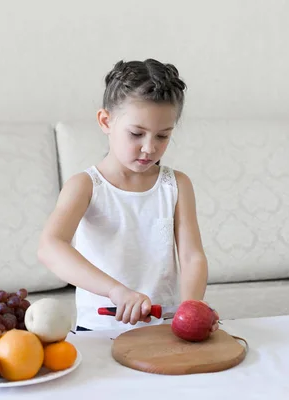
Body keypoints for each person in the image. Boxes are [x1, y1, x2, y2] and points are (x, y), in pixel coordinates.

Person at [38, 58, 218, 332]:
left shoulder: (176, 185)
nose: (149, 148)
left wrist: (191, 307)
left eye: (162, 136)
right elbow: (50, 247)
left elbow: (192, 256)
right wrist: (116, 291)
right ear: (105, 121)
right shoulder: (85, 186)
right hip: (99, 329)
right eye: (136, 134)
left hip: (164, 326)